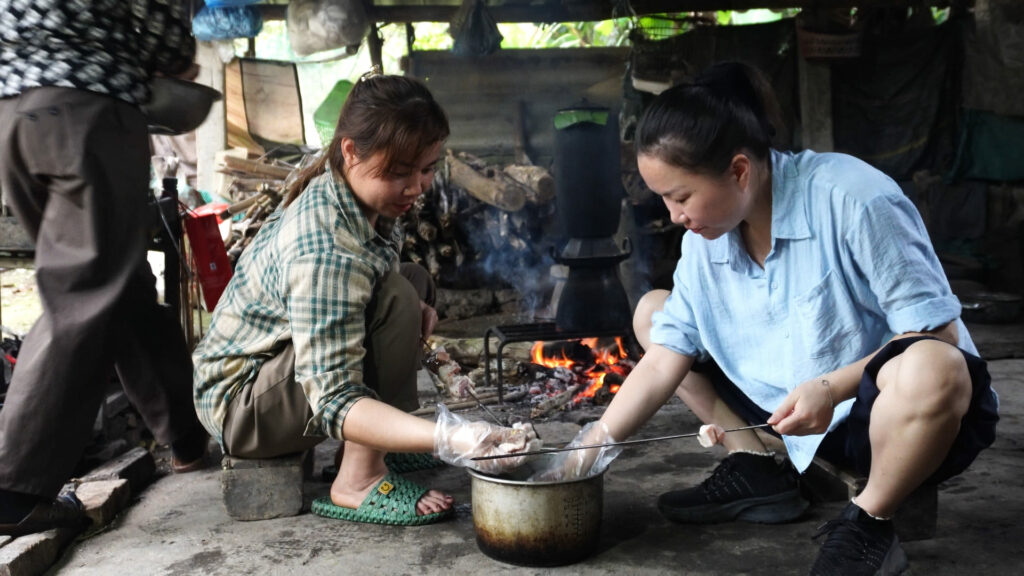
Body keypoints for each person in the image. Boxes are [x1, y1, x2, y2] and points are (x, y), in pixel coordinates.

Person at [559, 61, 998, 575]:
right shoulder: (706, 237)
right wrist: (587, 451)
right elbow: (662, 360)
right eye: (664, 199)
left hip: (884, 418)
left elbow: (936, 333)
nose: (674, 215)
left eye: (681, 197)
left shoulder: (853, 198)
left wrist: (830, 388)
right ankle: (756, 467)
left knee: (933, 365)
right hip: (785, 413)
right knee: (654, 314)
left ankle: (869, 523)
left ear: (739, 171)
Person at [192, 72, 533, 526]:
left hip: (271, 379)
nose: (417, 187)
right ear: (351, 151)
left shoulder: (354, 193)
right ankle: (357, 478)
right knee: (396, 298)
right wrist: (452, 436)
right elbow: (333, 400)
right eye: (400, 172)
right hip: (244, 409)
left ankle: (380, 443)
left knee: (411, 282)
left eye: (427, 169)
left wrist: (410, 312)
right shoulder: (324, 248)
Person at [0, 0, 210, 537]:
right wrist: (172, 55)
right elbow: (164, 34)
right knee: (85, 291)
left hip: (13, 116)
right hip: (86, 112)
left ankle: (185, 434)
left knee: (121, 282)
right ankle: (13, 491)